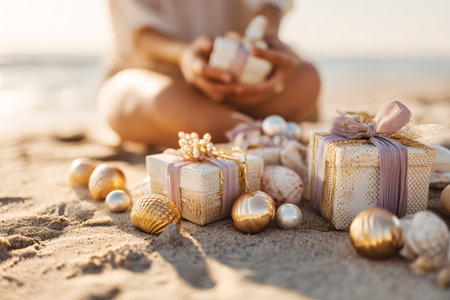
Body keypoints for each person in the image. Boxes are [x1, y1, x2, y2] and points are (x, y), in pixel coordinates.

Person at [98, 0, 320, 148]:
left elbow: (269, 5)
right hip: (157, 76)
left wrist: (265, 44)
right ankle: (258, 134)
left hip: (246, 81)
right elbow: (139, 34)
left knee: (307, 79)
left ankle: (233, 128)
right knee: (153, 100)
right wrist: (184, 55)